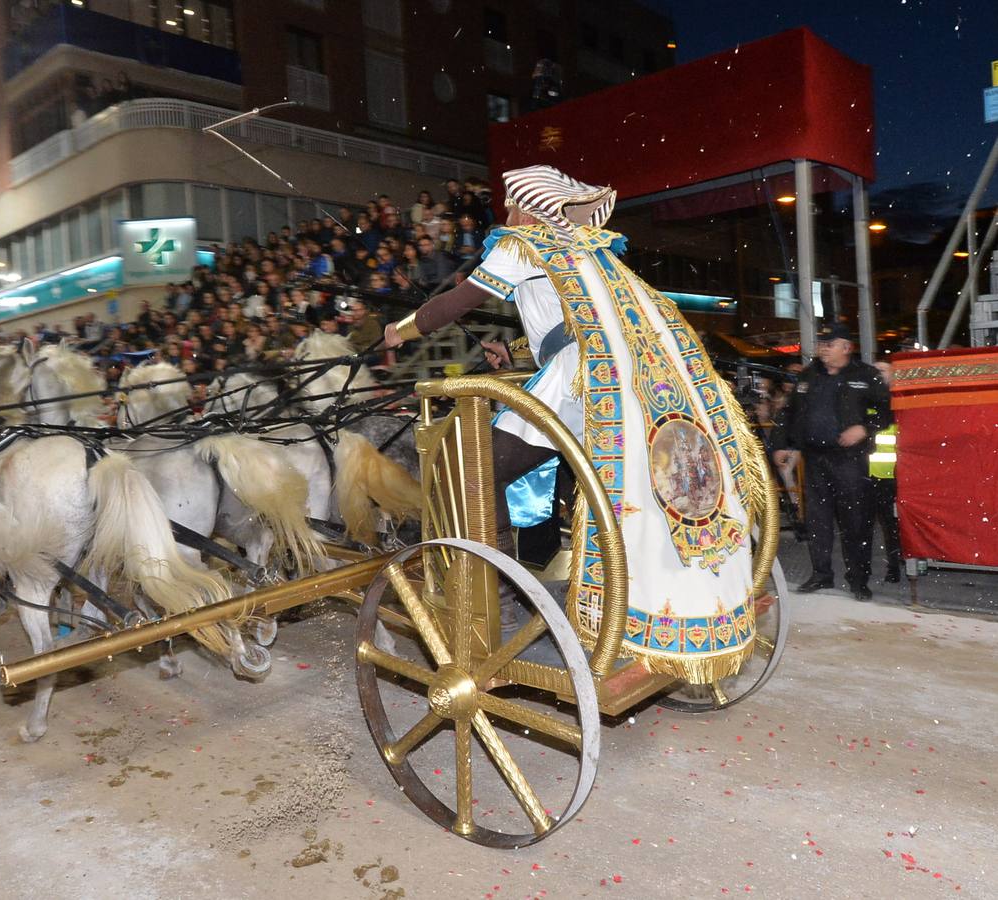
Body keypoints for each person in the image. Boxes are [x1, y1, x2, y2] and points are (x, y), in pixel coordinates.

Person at [384, 164, 762, 680]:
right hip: (621, 371)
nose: (504, 212)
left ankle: (502, 601)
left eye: (509, 202)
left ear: (525, 204)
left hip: (579, 376)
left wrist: (400, 330)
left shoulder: (519, 242)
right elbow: (572, 320)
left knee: (471, 471)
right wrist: (517, 348)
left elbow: (458, 302)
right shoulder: (591, 248)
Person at [770, 324, 892, 600]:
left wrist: (864, 427)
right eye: (822, 343)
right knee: (818, 521)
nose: (823, 348)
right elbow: (788, 413)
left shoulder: (866, 375)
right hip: (815, 459)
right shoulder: (809, 375)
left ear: (847, 347)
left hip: (850, 460)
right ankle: (822, 574)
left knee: (856, 521)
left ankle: (859, 579)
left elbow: (886, 412)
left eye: (830, 343)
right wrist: (782, 444)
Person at [868, 360, 902, 583]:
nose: (876, 374)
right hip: (866, 475)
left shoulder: (899, 403)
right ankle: (864, 569)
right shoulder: (865, 401)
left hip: (894, 476)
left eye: (881, 370)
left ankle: (895, 566)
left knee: (892, 525)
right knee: (864, 525)